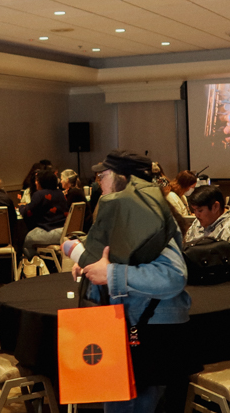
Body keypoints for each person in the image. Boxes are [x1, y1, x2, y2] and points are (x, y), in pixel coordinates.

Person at [70, 152, 191, 413]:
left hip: (150, 335)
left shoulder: (148, 220)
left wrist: (111, 273)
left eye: (103, 175)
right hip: (134, 326)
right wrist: (92, 267)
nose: (98, 182)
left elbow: (174, 276)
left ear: (123, 180)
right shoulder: (133, 215)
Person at [186, 185, 230, 281]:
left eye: (200, 210)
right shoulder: (198, 222)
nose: (196, 215)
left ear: (215, 206)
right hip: (202, 280)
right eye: (194, 210)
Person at [20, 167, 69, 259]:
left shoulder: (39, 194)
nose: (35, 183)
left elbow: (27, 212)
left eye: (37, 181)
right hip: (64, 231)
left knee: (27, 240)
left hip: (50, 232)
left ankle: (33, 265)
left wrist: (21, 207)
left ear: (42, 182)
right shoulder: (60, 193)